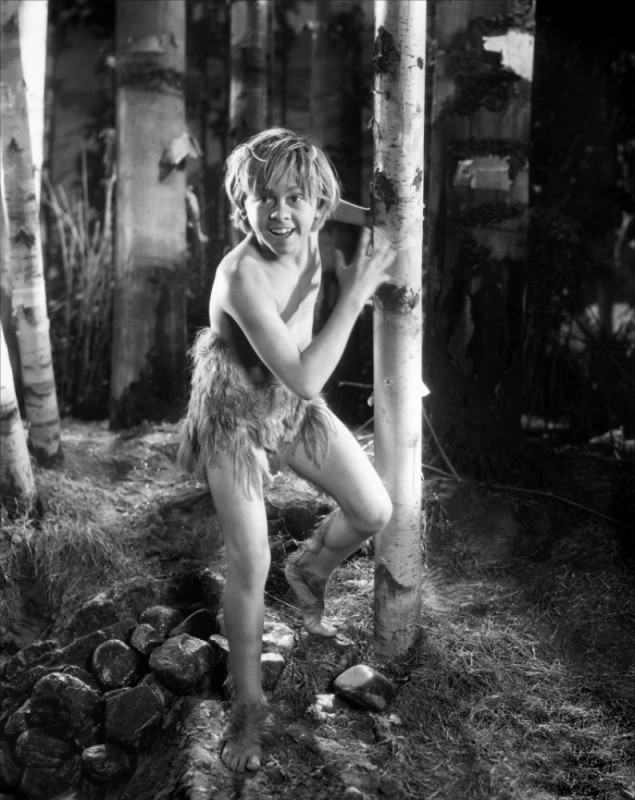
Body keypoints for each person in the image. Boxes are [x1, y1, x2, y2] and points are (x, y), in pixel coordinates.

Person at [178, 128, 393, 773]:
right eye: (263, 198)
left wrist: (379, 215)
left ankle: (311, 570)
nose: (280, 213)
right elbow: (304, 378)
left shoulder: (315, 214)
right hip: (234, 417)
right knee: (250, 560)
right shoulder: (241, 275)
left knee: (374, 509)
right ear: (241, 202)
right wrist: (356, 292)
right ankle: (247, 712)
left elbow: (331, 201)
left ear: (317, 201)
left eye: (295, 198)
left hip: (288, 406)